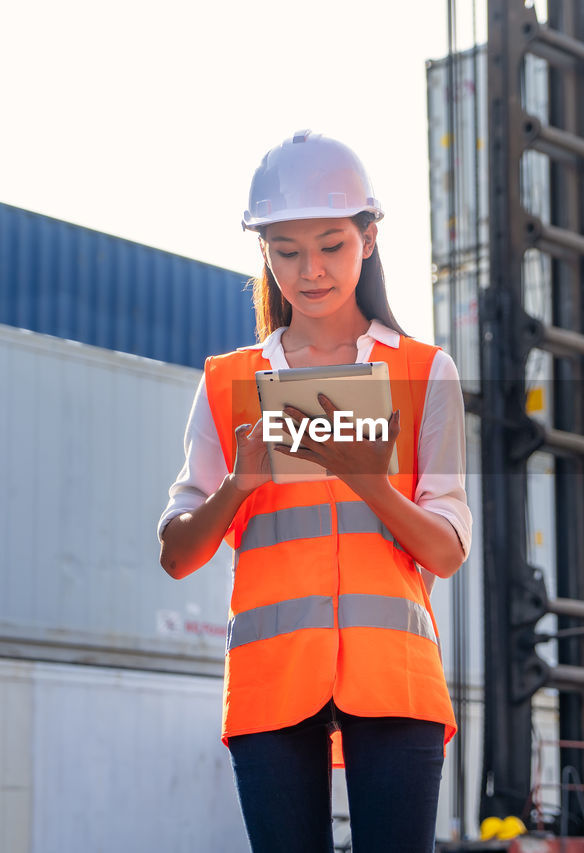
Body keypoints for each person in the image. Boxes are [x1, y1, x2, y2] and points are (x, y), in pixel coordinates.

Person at [156, 130, 470, 853]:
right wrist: (239, 484)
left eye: (331, 244)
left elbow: (448, 549)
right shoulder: (228, 382)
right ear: (263, 250)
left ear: (369, 236)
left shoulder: (426, 373)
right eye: (287, 250)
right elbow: (176, 553)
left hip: (395, 676)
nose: (312, 270)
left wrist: (374, 486)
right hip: (272, 679)